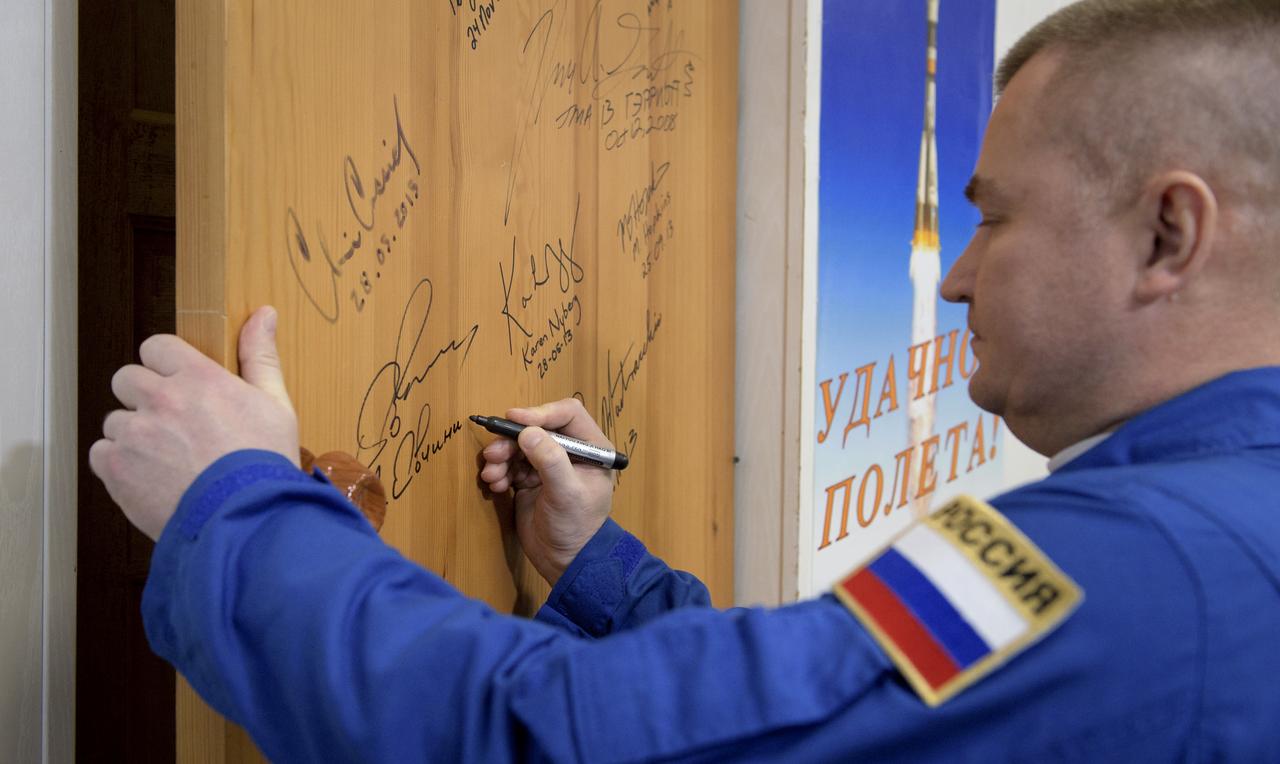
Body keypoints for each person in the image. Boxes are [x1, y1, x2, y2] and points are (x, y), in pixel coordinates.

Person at [90, 0, 1280, 760]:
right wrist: (593, 570)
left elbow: (550, 741)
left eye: (993, 219)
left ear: (1169, 233)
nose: (955, 278)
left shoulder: (1129, 570)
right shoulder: (1207, 530)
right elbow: (826, 714)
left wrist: (238, 500)